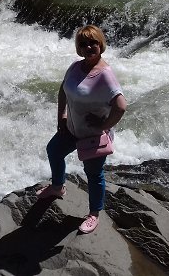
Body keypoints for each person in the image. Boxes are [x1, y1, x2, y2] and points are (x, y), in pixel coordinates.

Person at [36, 25, 127, 233]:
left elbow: (121, 106)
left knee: (94, 175)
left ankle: (94, 214)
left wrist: (103, 126)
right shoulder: (76, 67)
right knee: (54, 151)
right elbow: (63, 89)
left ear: (101, 44)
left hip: (92, 136)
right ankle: (57, 187)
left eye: (93, 42)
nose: (89, 47)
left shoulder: (105, 75)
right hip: (71, 127)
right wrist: (62, 115)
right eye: (84, 44)